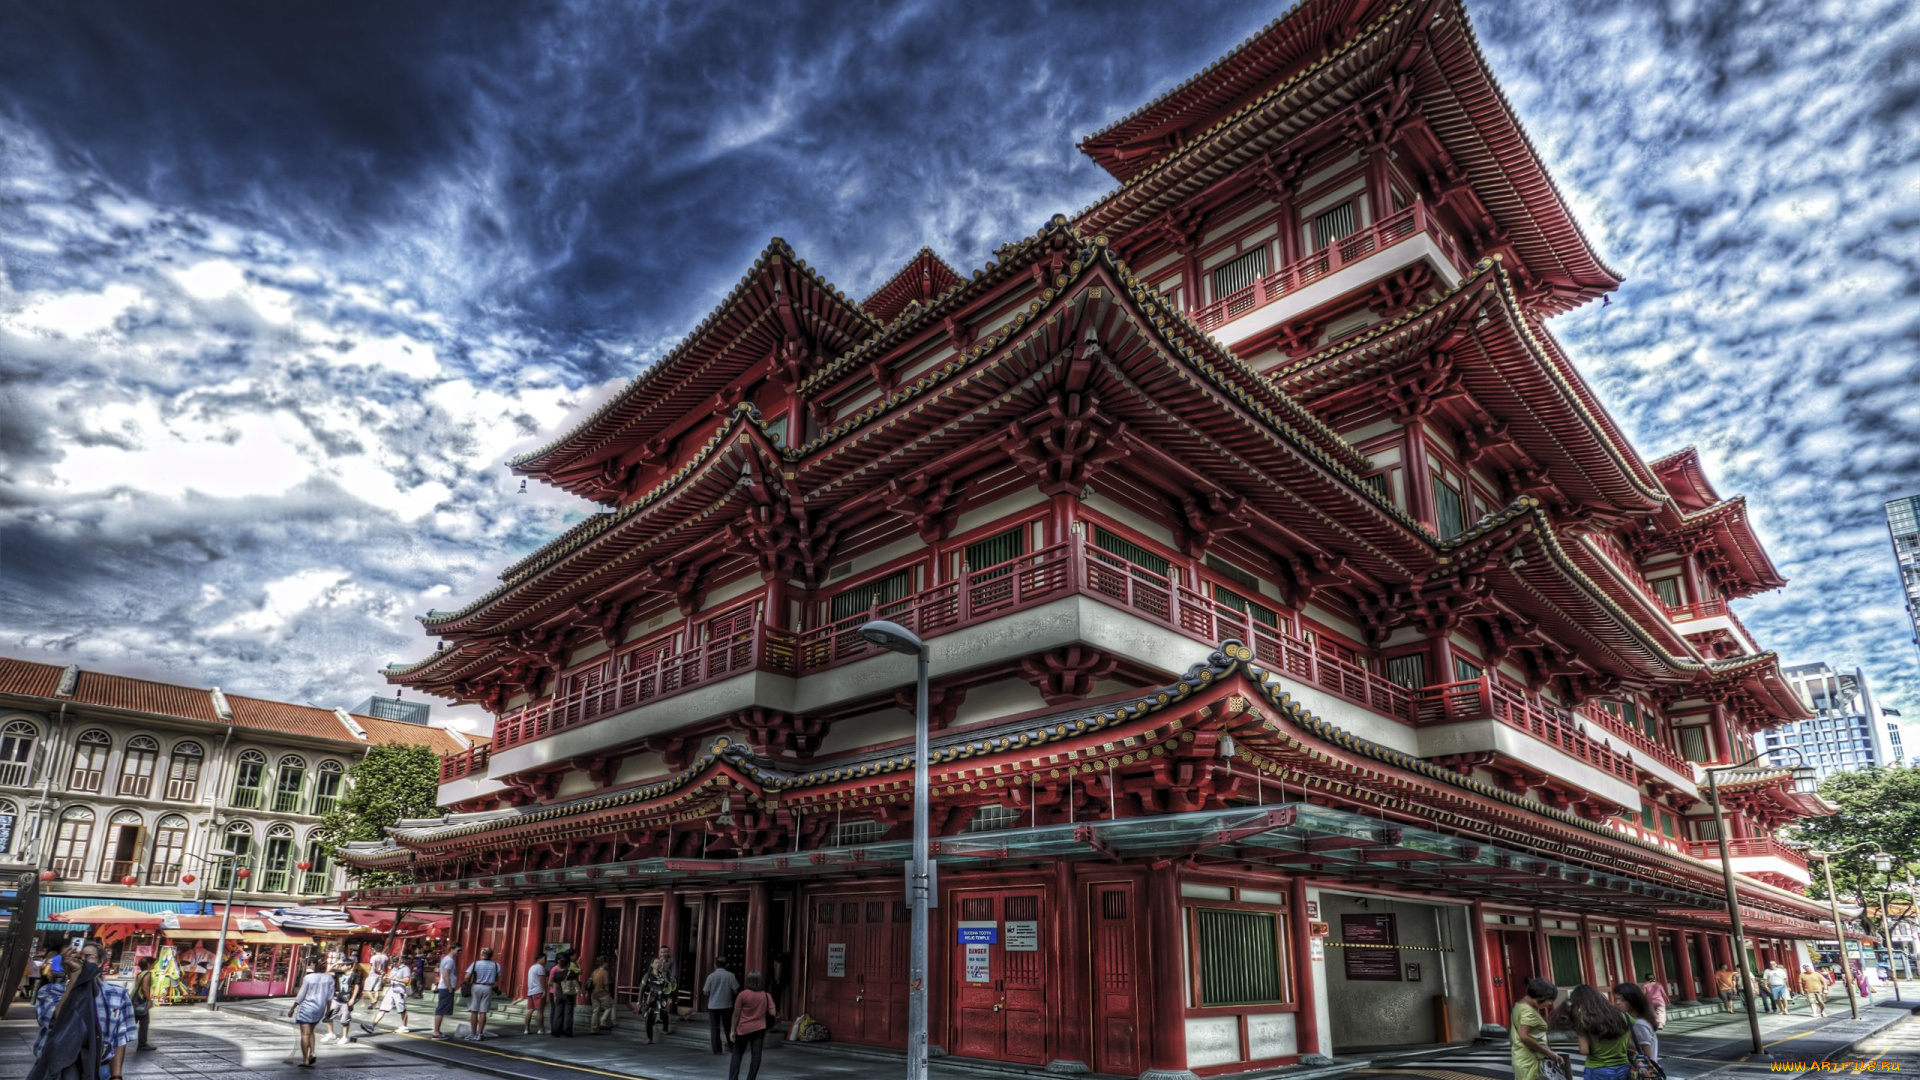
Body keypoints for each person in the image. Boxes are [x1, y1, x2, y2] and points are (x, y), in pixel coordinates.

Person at [30, 941, 138, 1080]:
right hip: (58, 1068)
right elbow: (59, 1018)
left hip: (100, 1069)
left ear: (100, 962)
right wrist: (76, 976)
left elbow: (119, 1038)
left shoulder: (117, 995)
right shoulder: (50, 991)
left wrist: (116, 1076)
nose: (81, 960)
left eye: (88, 956)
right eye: (75, 956)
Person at [1564, 983, 1632, 1080]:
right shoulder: (1624, 1016)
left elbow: (1584, 1050)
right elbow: (1628, 1043)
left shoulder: (1583, 1020)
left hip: (1597, 1069)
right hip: (1623, 1068)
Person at [1510, 977, 1567, 1080]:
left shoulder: (1519, 1006)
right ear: (1542, 996)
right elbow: (1524, 1036)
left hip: (1522, 1057)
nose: (1550, 1004)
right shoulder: (1528, 1012)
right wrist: (1549, 1053)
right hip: (1531, 1060)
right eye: (1550, 999)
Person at [727, 971, 776, 1080]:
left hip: (743, 1029)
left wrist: (732, 1030)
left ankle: (733, 1078)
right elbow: (773, 1013)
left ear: (748, 981)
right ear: (760, 981)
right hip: (759, 1029)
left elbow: (736, 1014)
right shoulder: (766, 995)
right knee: (756, 1055)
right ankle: (751, 1078)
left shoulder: (742, 994)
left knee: (737, 1053)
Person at [287, 956, 335, 1066]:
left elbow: (301, 995)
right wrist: (328, 1010)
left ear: (314, 965)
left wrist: (292, 1008)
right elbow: (329, 997)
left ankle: (305, 1059)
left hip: (307, 1008)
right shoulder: (329, 979)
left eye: (311, 964)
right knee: (311, 1031)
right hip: (320, 1008)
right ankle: (312, 1052)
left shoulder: (308, 978)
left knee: (305, 1034)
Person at [359, 953, 413, 1035]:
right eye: (393, 962)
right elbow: (389, 981)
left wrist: (394, 979)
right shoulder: (394, 969)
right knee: (383, 1008)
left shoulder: (405, 969)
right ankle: (372, 1025)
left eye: (396, 961)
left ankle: (404, 1026)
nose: (394, 963)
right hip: (391, 990)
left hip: (399, 990)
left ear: (400, 960)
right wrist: (385, 978)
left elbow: (406, 981)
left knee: (402, 1009)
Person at [634, 946, 675, 1044]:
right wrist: (639, 1000)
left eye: (659, 963)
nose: (658, 964)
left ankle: (665, 1028)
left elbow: (668, 986)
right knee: (649, 1018)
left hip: (661, 998)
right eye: (656, 963)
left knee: (664, 1014)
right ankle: (649, 1038)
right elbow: (642, 988)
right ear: (652, 965)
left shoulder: (664, 975)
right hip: (651, 998)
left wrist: (670, 997)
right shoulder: (647, 976)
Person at [1612, 982, 1659, 1065]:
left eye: (1621, 999)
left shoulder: (1638, 1024)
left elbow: (1646, 1054)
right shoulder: (1636, 1019)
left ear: (1632, 1000)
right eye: (1617, 999)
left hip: (1642, 1070)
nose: (1618, 1002)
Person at [464, 947, 501, 1041]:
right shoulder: (496, 965)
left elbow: (466, 977)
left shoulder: (476, 963)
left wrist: (468, 984)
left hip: (476, 986)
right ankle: (480, 1033)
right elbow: (497, 979)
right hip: (488, 987)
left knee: (474, 1010)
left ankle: (473, 1033)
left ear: (482, 954)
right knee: (483, 1011)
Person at [704, 963, 740, 1054]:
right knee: (728, 1027)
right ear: (726, 965)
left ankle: (717, 1049)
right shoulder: (731, 976)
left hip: (713, 1005)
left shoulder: (711, 976)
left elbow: (705, 992)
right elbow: (736, 990)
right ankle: (732, 1047)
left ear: (716, 965)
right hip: (726, 1005)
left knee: (715, 1028)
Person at [432, 944, 460, 1040]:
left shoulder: (446, 959)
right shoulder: (449, 961)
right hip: (445, 987)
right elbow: (446, 975)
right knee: (441, 1009)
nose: (459, 952)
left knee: (442, 1009)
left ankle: (437, 1031)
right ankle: (436, 1032)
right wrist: (449, 988)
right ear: (452, 949)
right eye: (458, 950)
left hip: (444, 987)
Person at [548, 952, 579, 1038]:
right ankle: (567, 1031)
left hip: (558, 994)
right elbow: (575, 983)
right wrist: (579, 992)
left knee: (558, 1013)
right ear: (568, 963)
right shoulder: (571, 973)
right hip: (568, 994)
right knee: (568, 1013)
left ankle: (556, 1031)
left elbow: (554, 984)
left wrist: (555, 995)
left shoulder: (557, 973)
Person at [324, 963, 356, 1044]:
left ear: (349, 966)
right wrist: (334, 964)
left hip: (346, 1000)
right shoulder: (339, 974)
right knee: (329, 1015)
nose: (341, 967)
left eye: (343, 965)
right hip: (337, 998)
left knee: (344, 1019)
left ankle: (344, 1037)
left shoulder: (354, 975)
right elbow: (326, 973)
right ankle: (330, 1033)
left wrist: (353, 999)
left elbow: (357, 987)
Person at [132, 957, 155, 1052]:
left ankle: (142, 1043)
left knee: (135, 1021)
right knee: (144, 1022)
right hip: (141, 1000)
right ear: (148, 964)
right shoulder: (147, 974)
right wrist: (149, 1000)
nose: (154, 965)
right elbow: (145, 987)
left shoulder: (140, 974)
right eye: (153, 963)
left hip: (135, 999)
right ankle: (142, 1044)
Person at [588, 955, 615, 1034]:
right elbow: (606, 984)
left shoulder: (595, 972)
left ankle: (593, 1029)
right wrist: (609, 993)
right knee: (609, 1007)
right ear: (604, 963)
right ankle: (603, 1020)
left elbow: (591, 982)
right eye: (607, 963)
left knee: (595, 1011)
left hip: (594, 993)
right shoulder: (605, 972)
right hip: (602, 993)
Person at [522, 954, 547, 1035]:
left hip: (531, 990)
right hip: (538, 990)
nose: (546, 961)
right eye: (544, 959)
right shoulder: (540, 967)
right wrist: (544, 990)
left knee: (530, 1009)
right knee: (540, 1011)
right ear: (539, 959)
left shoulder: (532, 967)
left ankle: (526, 1029)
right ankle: (541, 1029)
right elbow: (542, 979)